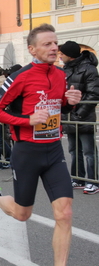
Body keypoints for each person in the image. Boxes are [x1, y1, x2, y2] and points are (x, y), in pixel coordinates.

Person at [0, 23, 82, 266]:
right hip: (26, 152)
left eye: (55, 43)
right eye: (47, 44)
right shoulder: (19, 77)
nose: (54, 48)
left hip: (54, 151)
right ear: (32, 49)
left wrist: (70, 102)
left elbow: (57, 108)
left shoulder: (60, 74)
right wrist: (27, 120)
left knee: (65, 213)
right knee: (22, 214)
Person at [59, 40, 99, 194]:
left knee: (89, 151)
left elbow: (94, 94)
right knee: (74, 150)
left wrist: (79, 113)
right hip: (70, 117)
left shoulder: (89, 69)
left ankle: (93, 181)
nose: (60, 56)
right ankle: (77, 178)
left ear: (70, 55)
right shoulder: (65, 69)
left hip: (84, 116)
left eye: (62, 54)